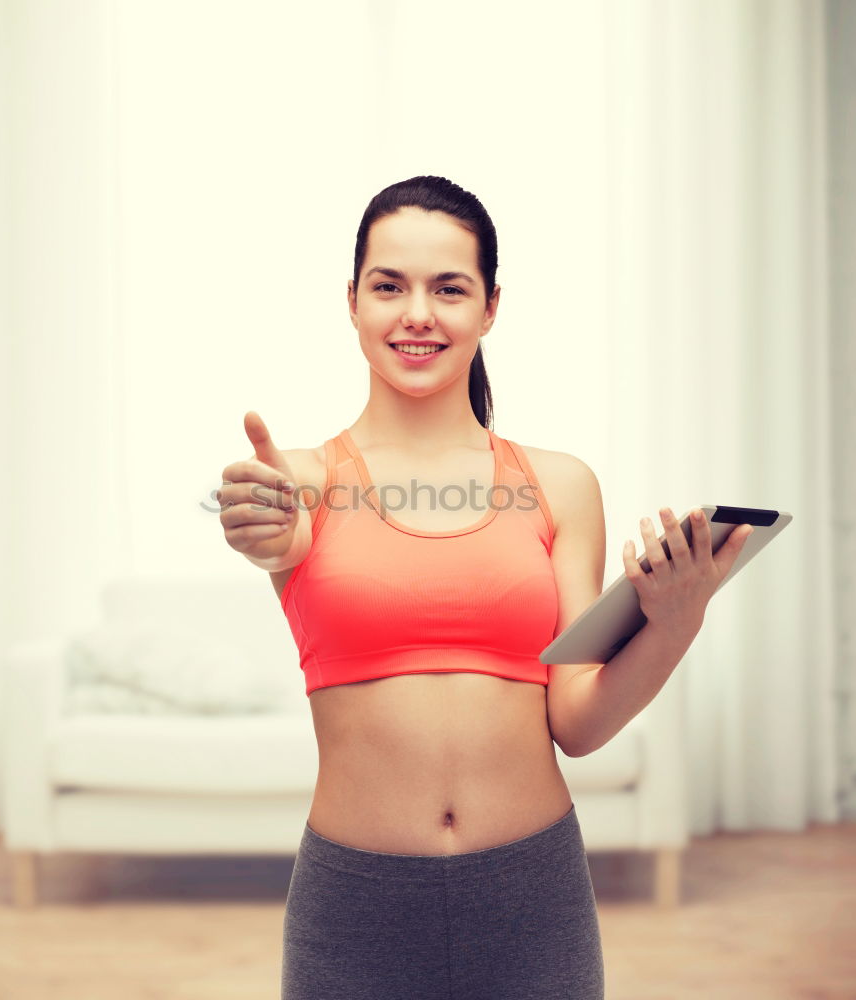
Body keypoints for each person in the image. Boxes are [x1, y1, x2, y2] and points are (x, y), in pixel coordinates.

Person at [218, 175, 753, 1000]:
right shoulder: (300, 481)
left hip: (530, 895)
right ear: (352, 302)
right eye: (389, 286)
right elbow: (272, 535)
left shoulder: (560, 486)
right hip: (355, 903)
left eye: (449, 288)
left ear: (490, 307)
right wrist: (262, 530)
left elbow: (576, 722)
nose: (417, 313)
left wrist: (676, 619)